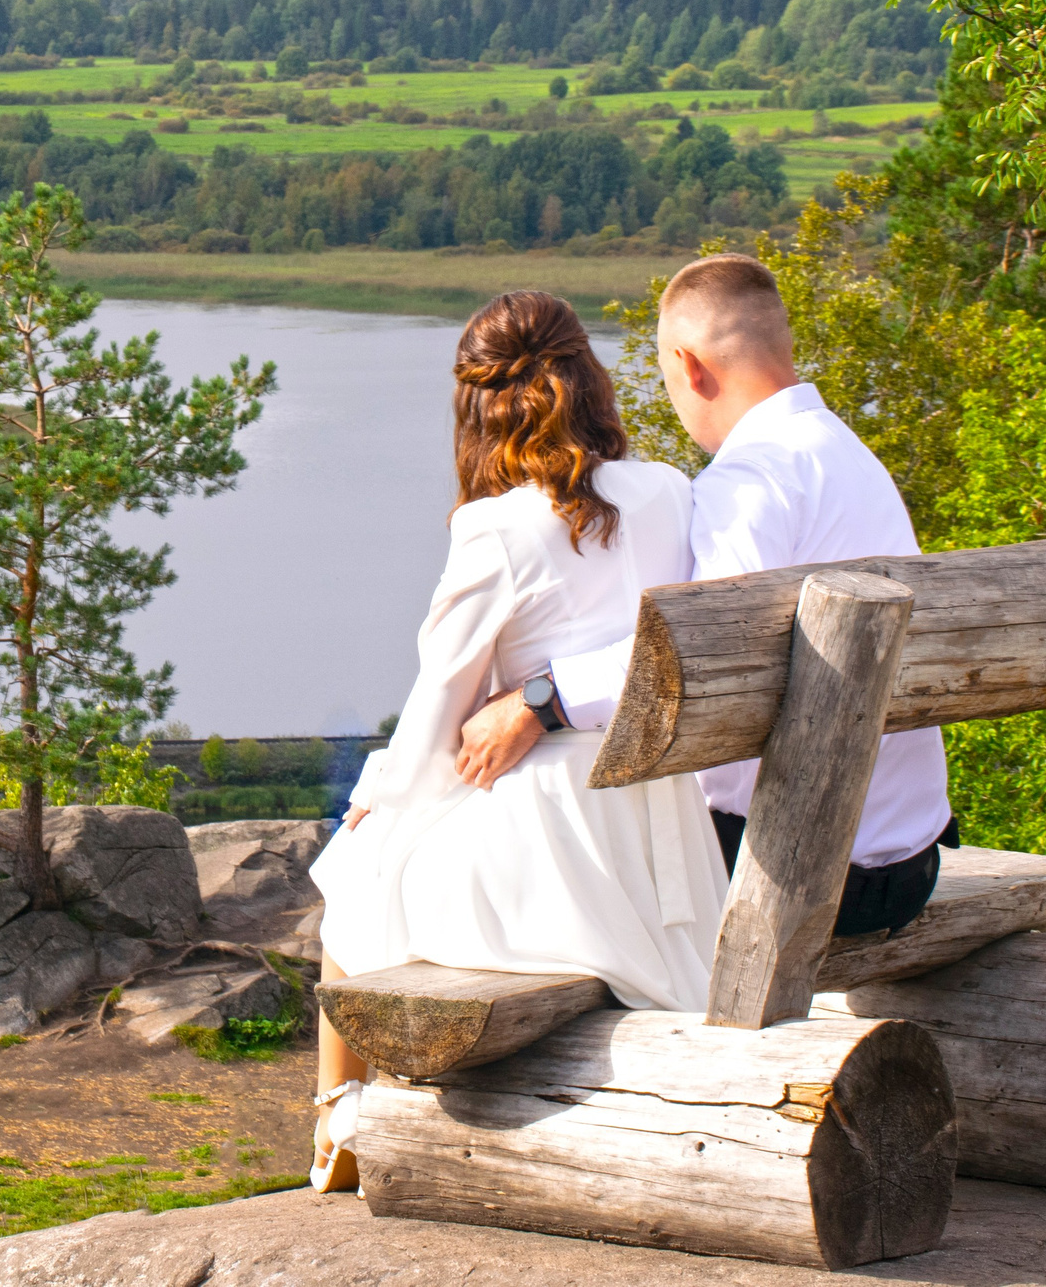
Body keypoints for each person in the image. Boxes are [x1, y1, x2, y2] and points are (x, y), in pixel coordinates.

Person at [303, 290, 729, 1194]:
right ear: (590, 378)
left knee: (345, 879)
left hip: (547, 840)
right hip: (658, 819)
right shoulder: (667, 490)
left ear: (479, 401)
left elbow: (434, 718)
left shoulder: (493, 529)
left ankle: (338, 1115)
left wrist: (374, 801)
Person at [454, 253, 957, 939]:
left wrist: (540, 700)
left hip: (809, 867)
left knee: (525, 857)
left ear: (690, 366)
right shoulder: (846, 455)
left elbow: (702, 649)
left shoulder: (749, 484)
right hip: (905, 853)